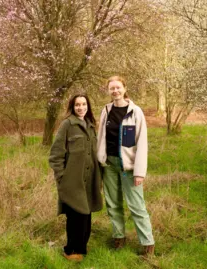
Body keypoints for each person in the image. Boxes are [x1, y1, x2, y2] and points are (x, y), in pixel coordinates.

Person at [96, 76, 155, 257]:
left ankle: (147, 245)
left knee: (137, 206)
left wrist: (139, 172)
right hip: (110, 166)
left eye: (118, 88)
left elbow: (142, 144)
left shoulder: (135, 112)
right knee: (113, 204)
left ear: (124, 88)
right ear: (108, 91)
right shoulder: (105, 110)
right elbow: (100, 139)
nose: (115, 91)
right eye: (112, 88)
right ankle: (119, 238)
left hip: (128, 168)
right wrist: (100, 162)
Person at [49, 94, 103, 262]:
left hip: (89, 181)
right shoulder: (67, 125)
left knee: (86, 217)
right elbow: (55, 155)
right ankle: (70, 250)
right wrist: (62, 178)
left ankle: (81, 249)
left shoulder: (91, 125)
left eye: (84, 104)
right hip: (72, 182)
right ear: (72, 107)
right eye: (77, 105)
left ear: (88, 106)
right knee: (75, 217)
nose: (81, 107)